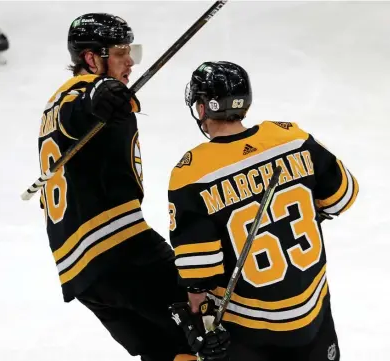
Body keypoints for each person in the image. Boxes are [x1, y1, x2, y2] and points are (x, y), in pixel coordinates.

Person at [169, 61, 359, 361]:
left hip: (250, 332)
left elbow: (199, 274)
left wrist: (199, 322)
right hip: (315, 319)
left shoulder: (192, 173)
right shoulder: (292, 138)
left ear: (203, 108)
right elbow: (342, 197)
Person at [38, 12, 198, 361]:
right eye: (120, 52)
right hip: (121, 251)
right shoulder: (77, 94)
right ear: (91, 59)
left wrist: (102, 95)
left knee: (166, 348)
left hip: (82, 273)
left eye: (131, 51)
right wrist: (99, 94)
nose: (130, 62)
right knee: (206, 327)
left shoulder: (54, 105)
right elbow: (78, 110)